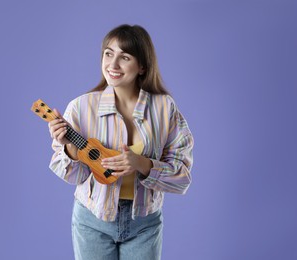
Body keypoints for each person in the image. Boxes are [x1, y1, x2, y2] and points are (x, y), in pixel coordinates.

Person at [48, 24, 194, 260]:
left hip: (144, 224)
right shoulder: (80, 108)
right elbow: (73, 177)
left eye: (124, 57)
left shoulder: (164, 109)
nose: (112, 65)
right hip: (92, 221)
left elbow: (182, 178)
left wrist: (142, 164)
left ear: (142, 66)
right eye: (108, 53)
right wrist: (70, 149)